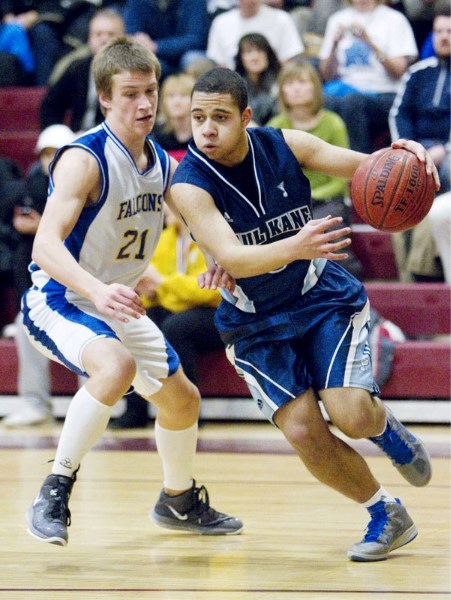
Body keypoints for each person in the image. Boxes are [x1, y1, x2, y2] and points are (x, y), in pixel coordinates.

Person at [170, 67, 437, 562]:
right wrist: (296, 244)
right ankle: (385, 512)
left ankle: (384, 428)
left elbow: (370, 169)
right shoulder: (188, 185)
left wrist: (411, 157)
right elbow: (232, 259)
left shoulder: (284, 144)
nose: (206, 129)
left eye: (220, 117)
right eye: (198, 117)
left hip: (318, 298)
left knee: (352, 415)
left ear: (246, 117)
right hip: (252, 321)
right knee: (301, 431)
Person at [23, 37, 243, 547]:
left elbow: (194, 214)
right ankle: (54, 489)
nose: (144, 104)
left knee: (182, 400)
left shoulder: (161, 162)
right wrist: (98, 290)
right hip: (61, 298)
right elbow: (44, 246)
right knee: (116, 367)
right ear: (105, 97)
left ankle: (178, 500)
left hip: (114, 302)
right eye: (130, 94)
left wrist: (215, 256)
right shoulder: (86, 158)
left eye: (151, 91)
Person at [112, 204, 223, 428]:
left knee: (176, 327)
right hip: (179, 308)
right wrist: (151, 293)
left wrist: (163, 284)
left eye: (171, 206)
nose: (165, 210)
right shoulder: (163, 239)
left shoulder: (209, 239)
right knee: (138, 322)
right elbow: (154, 285)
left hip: (216, 314)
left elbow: (206, 291)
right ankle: (135, 410)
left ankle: (189, 411)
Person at [1, 125, 76, 428]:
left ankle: (98, 403)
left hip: (84, 282)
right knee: (24, 322)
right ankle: (35, 403)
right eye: (46, 154)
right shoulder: (33, 187)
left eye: (57, 152)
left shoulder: (89, 185)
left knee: (94, 324)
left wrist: (44, 226)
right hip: (49, 286)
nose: (52, 159)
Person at [266, 60, 363, 278]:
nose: (296, 88)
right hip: (288, 204)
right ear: (281, 90)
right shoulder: (275, 125)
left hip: (328, 202)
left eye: (302, 81)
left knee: (329, 228)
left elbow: (340, 180)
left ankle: (350, 293)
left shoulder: (333, 122)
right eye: (290, 83)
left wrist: (311, 198)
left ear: (315, 87)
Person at [388, 6, 450, 282]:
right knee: (393, 182)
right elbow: (398, 114)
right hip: (416, 148)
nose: (443, 37)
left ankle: (422, 270)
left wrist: (445, 149)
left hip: (447, 151)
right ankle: (409, 276)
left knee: (446, 172)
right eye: (438, 32)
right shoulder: (417, 73)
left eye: (450, 32)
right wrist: (410, 148)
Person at [319, 0, 418, 154]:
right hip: (345, 90)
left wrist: (369, 42)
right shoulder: (337, 19)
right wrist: (334, 45)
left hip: (385, 93)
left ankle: (359, 166)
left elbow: (399, 70)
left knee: (353, 102)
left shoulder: (394, 19)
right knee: (324, 101)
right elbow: (326, 75)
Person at [40, 9, 125, 133]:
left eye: (111, 34)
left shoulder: (133, 73)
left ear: (123, 39)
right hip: (78, 138)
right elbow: (50, 107)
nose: (104, 40)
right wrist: (59, 134)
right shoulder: (77, 68)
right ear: (89, 39)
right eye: (98, 34)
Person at [123, 0, 210, 81]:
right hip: (155, 56)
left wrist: (157, 46)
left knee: (194, 59)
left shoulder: (194, 2)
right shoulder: (137, 2)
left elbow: (196, 39)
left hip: (184, 55)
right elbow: (133, 36)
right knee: (139, 61)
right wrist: (143, 43)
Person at [207, 0, 304, 70]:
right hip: (235, 84)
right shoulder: (221, 22)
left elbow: (289, 61)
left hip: (273, 84)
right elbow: (220, 64)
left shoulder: (282, 19)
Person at [234, 33, 281, 126]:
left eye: (259, 51)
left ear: (268, 54)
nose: (254, 57)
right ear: (241, 57)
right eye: (248, 52)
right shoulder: (235, 85)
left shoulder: (280, 81)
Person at [151, 72, 196, 161]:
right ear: (163, 101)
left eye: (183, 95)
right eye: (171, 96)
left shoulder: (203, 133)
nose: (177, 102)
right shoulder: (156, 133)